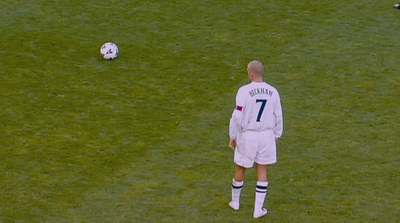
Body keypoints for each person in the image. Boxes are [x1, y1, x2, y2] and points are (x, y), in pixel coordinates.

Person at [228, 60, 283, 218]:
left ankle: (235, 202)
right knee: (262, 170)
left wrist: (233, 136)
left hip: (248, 135)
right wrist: (276, 135)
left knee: (241, 167)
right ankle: (258, 210)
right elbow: (278, 116)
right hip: (266, 135)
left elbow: (237, 116)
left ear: (250, 74)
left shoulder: (244, 91)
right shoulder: (273, 91)